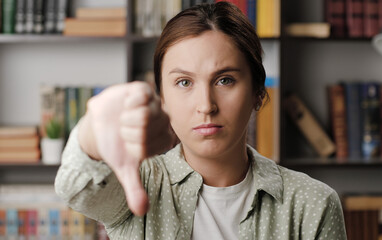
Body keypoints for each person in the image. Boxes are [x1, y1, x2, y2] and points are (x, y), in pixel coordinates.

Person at [55, 2, 347, 240]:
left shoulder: (314, 204)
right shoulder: (140, 182)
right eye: (184, 82)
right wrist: (93, 133)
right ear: (163, 98)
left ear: (259, 92)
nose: (206, 105)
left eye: (224, 80)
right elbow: (75, 188)